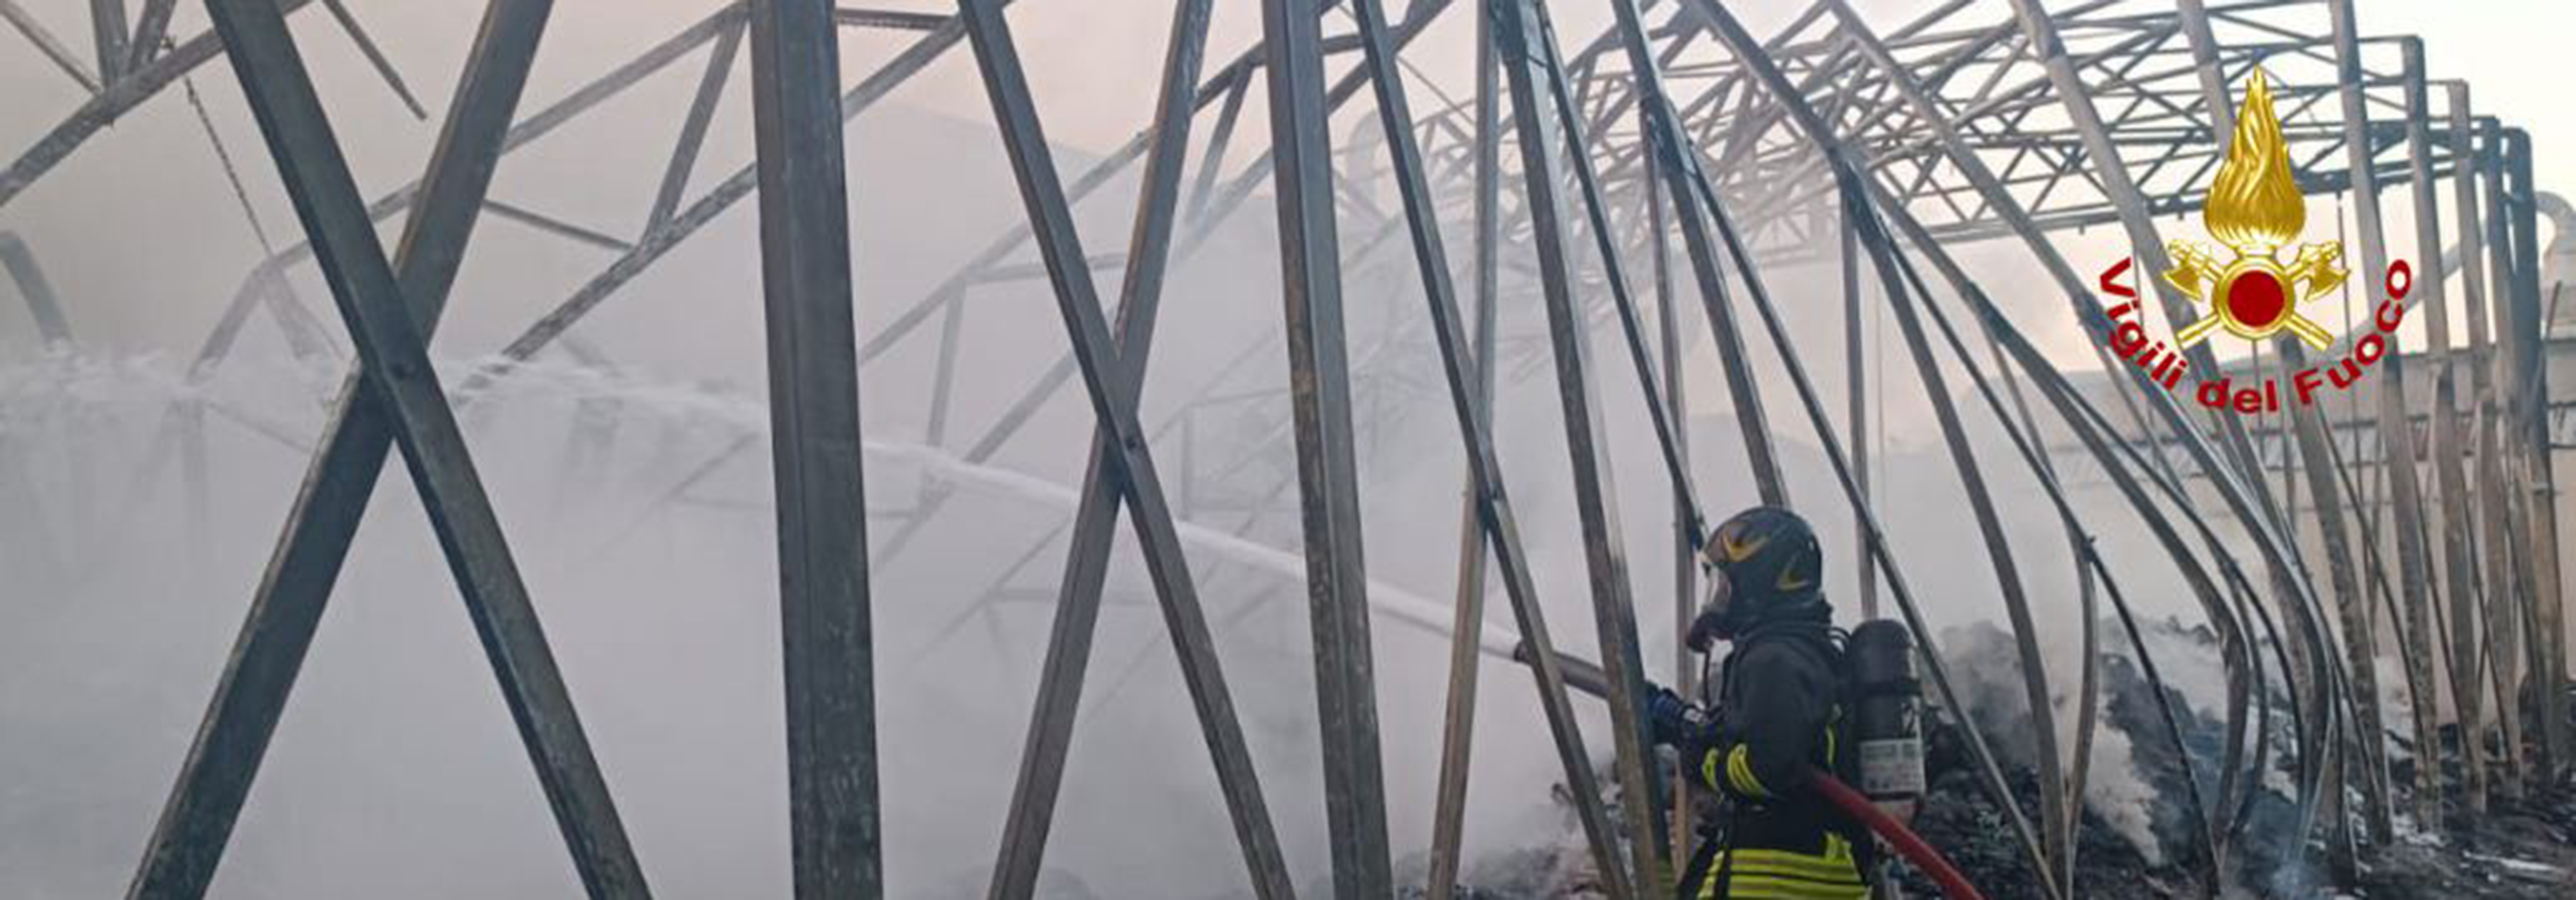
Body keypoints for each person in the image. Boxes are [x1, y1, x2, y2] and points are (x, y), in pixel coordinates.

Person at [1646, 506, 1873, 899]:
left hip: (1774, 876)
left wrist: (1703, 759)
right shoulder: (1810, 652)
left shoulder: (1773, 659)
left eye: (1725, 585)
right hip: (1815, 866)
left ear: (1760, 584)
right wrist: (1693, 727)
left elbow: (1770, 769)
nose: (1718, 599)